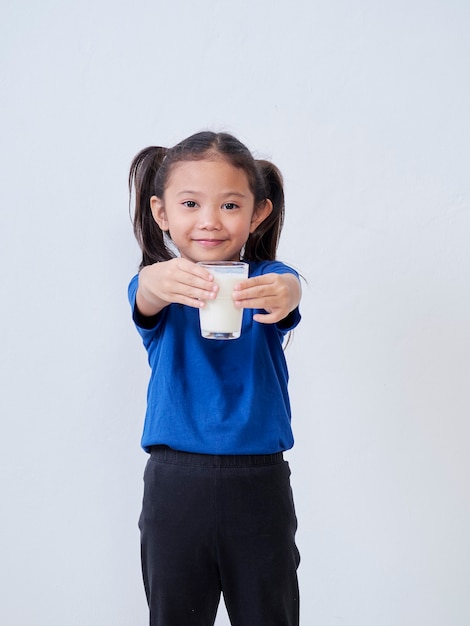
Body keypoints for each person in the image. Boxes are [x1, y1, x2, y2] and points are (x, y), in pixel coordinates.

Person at [128, 131, 302, 626]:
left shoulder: (267, 278)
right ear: (162, 214)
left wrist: (286, 292)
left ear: (258, 213)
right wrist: (153, 278)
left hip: (260, 480)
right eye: (190, 203)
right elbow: (147, 294)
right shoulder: (160, 283)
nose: (209, 220)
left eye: (230, 204)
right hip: (175, 483)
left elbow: (287, 290)